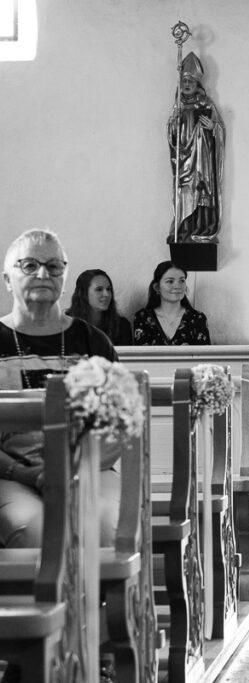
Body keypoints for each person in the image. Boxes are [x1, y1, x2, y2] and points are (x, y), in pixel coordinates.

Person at [0, 229, 120, 548]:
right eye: (28, 265)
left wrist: (76, 466)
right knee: (33, 529)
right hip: (12, 473)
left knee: (104, 528)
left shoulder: (93, 341)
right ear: (7, 279)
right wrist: (23, 473)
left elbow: (119, 425)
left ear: (64, 276)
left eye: (54, 266)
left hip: (90, 468)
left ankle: (97, 600)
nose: (43, 273)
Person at [168, 51, 224, 243]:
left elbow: (219, 131)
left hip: (202, 160)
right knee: (184, 192)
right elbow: (171, 137)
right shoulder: (178, 106)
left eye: (191, 82)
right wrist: (173, 126)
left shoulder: (206, 103)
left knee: (202, 192)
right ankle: (183, 230)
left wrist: (213, 127)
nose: (187, 85)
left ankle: (202, 228)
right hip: (184, 160)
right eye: (184, 82)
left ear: (197, 84)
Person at [133, 261, 211, 345]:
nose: (178, 286)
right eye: (170, 281)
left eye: (182, 281)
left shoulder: (197, 318)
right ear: (157, 287)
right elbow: (141, 356)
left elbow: (204, 356)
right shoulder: (142, 317)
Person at [68, 268, 133, 345]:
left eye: (109, 289)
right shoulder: (65, 324)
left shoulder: (122, 326)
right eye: (99, 289)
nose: (107, 294)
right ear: (83, 293)